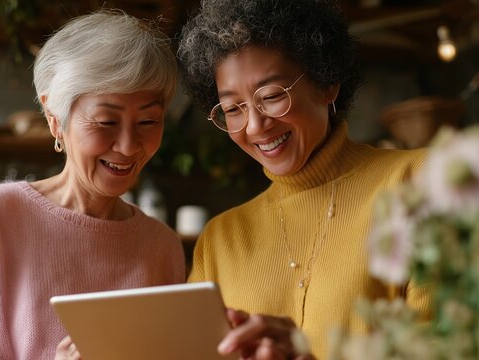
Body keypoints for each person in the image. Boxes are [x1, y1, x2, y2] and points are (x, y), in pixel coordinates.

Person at [0, 10, 185, 359]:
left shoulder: (161, 246)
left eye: (149, 121)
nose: (128, 145)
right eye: (106, 121)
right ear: (54, 118)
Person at [177, 0, 432, 359]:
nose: (254, 126)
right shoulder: (220, 240)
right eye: (233, 109)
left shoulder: (420, 184)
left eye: (271, 96)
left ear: (328, 84)